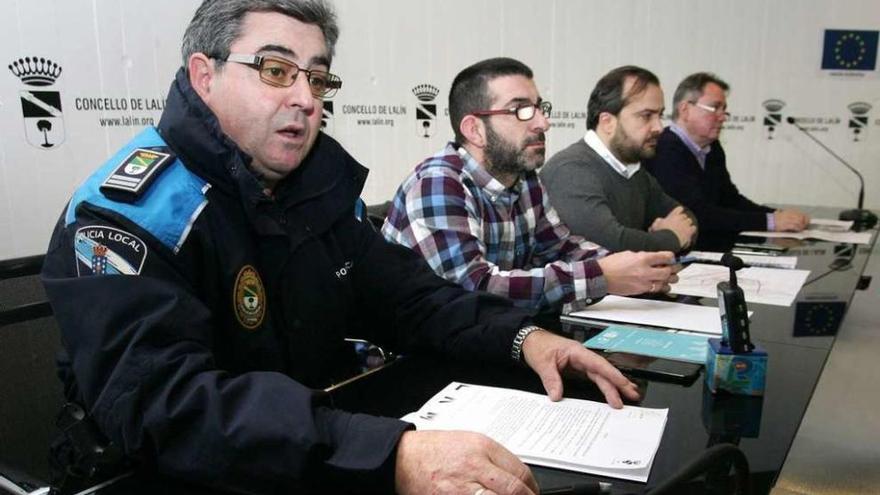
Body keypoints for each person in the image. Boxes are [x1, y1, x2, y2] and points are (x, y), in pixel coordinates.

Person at [40, 2, 640, 494]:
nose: (305, 97)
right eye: (276, 70)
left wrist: (523, 337)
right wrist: (389, 454)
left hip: (310, 454)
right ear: (205, 75)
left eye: (318, 77)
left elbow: (415, 299)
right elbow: (166, 405)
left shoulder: (313, 190)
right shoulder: (125, 213)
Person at [382, 58, 678, 312]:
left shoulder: (525, 180)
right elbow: (473, 289)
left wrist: (635, 269)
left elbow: (564, 247)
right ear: (474, 130)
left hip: (486, 338)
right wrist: (601, 275)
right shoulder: (439, 183)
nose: (542, 123)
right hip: (413, 358)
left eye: (539, 108)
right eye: (521, 110)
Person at [542, 66, 697, 253]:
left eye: (660, 115)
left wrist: (672, 234)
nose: (659, 127)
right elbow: (608, 246)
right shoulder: (570, 170)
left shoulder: (633, 171)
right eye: (646, 116)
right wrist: (670, 238)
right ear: (607, 122)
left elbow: (685, 219)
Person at [644, 72, 809, 246]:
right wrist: (770, 221)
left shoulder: (712, 147)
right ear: (685, 110)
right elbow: (695, 214)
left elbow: (730, 199)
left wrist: (778, 214)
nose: (723, 117)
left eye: (724, 110)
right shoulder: (665, 148)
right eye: (715, 108)